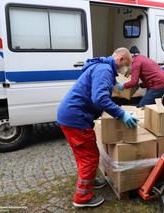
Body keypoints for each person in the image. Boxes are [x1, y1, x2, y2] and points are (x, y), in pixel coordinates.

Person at [57, 48, 138, 208]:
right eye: (126, 66)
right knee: (89, 157)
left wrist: (116, 84)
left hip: (70, 116)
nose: (126, 70)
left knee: (84, 153)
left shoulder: (102, 66)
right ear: (120, 59)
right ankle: (82, 197)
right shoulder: (104, 69)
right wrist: (121, 114)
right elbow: (99, 99)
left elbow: (101, 82)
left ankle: (90, 180)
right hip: (76, 119)